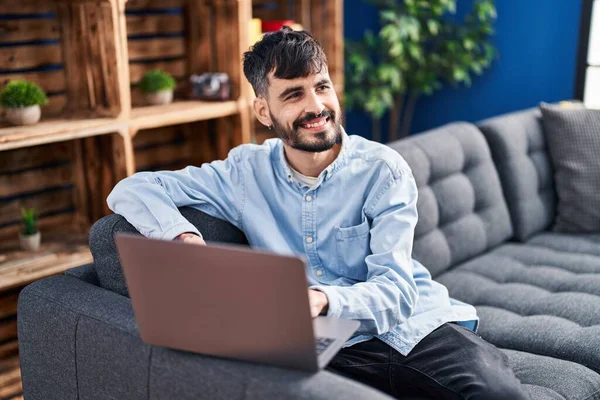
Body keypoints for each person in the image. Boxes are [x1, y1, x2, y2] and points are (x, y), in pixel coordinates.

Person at [107, 27, 530, 399]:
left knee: (499, 393)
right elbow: (135, 188)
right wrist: (184, 239)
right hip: (317, 347)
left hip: (412, 328)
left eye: (322, 86)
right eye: (293, 94)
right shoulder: (243, 172)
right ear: (263, 111)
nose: (316, 106)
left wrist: (322, 298)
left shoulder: (383, 170)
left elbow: (397, 292)